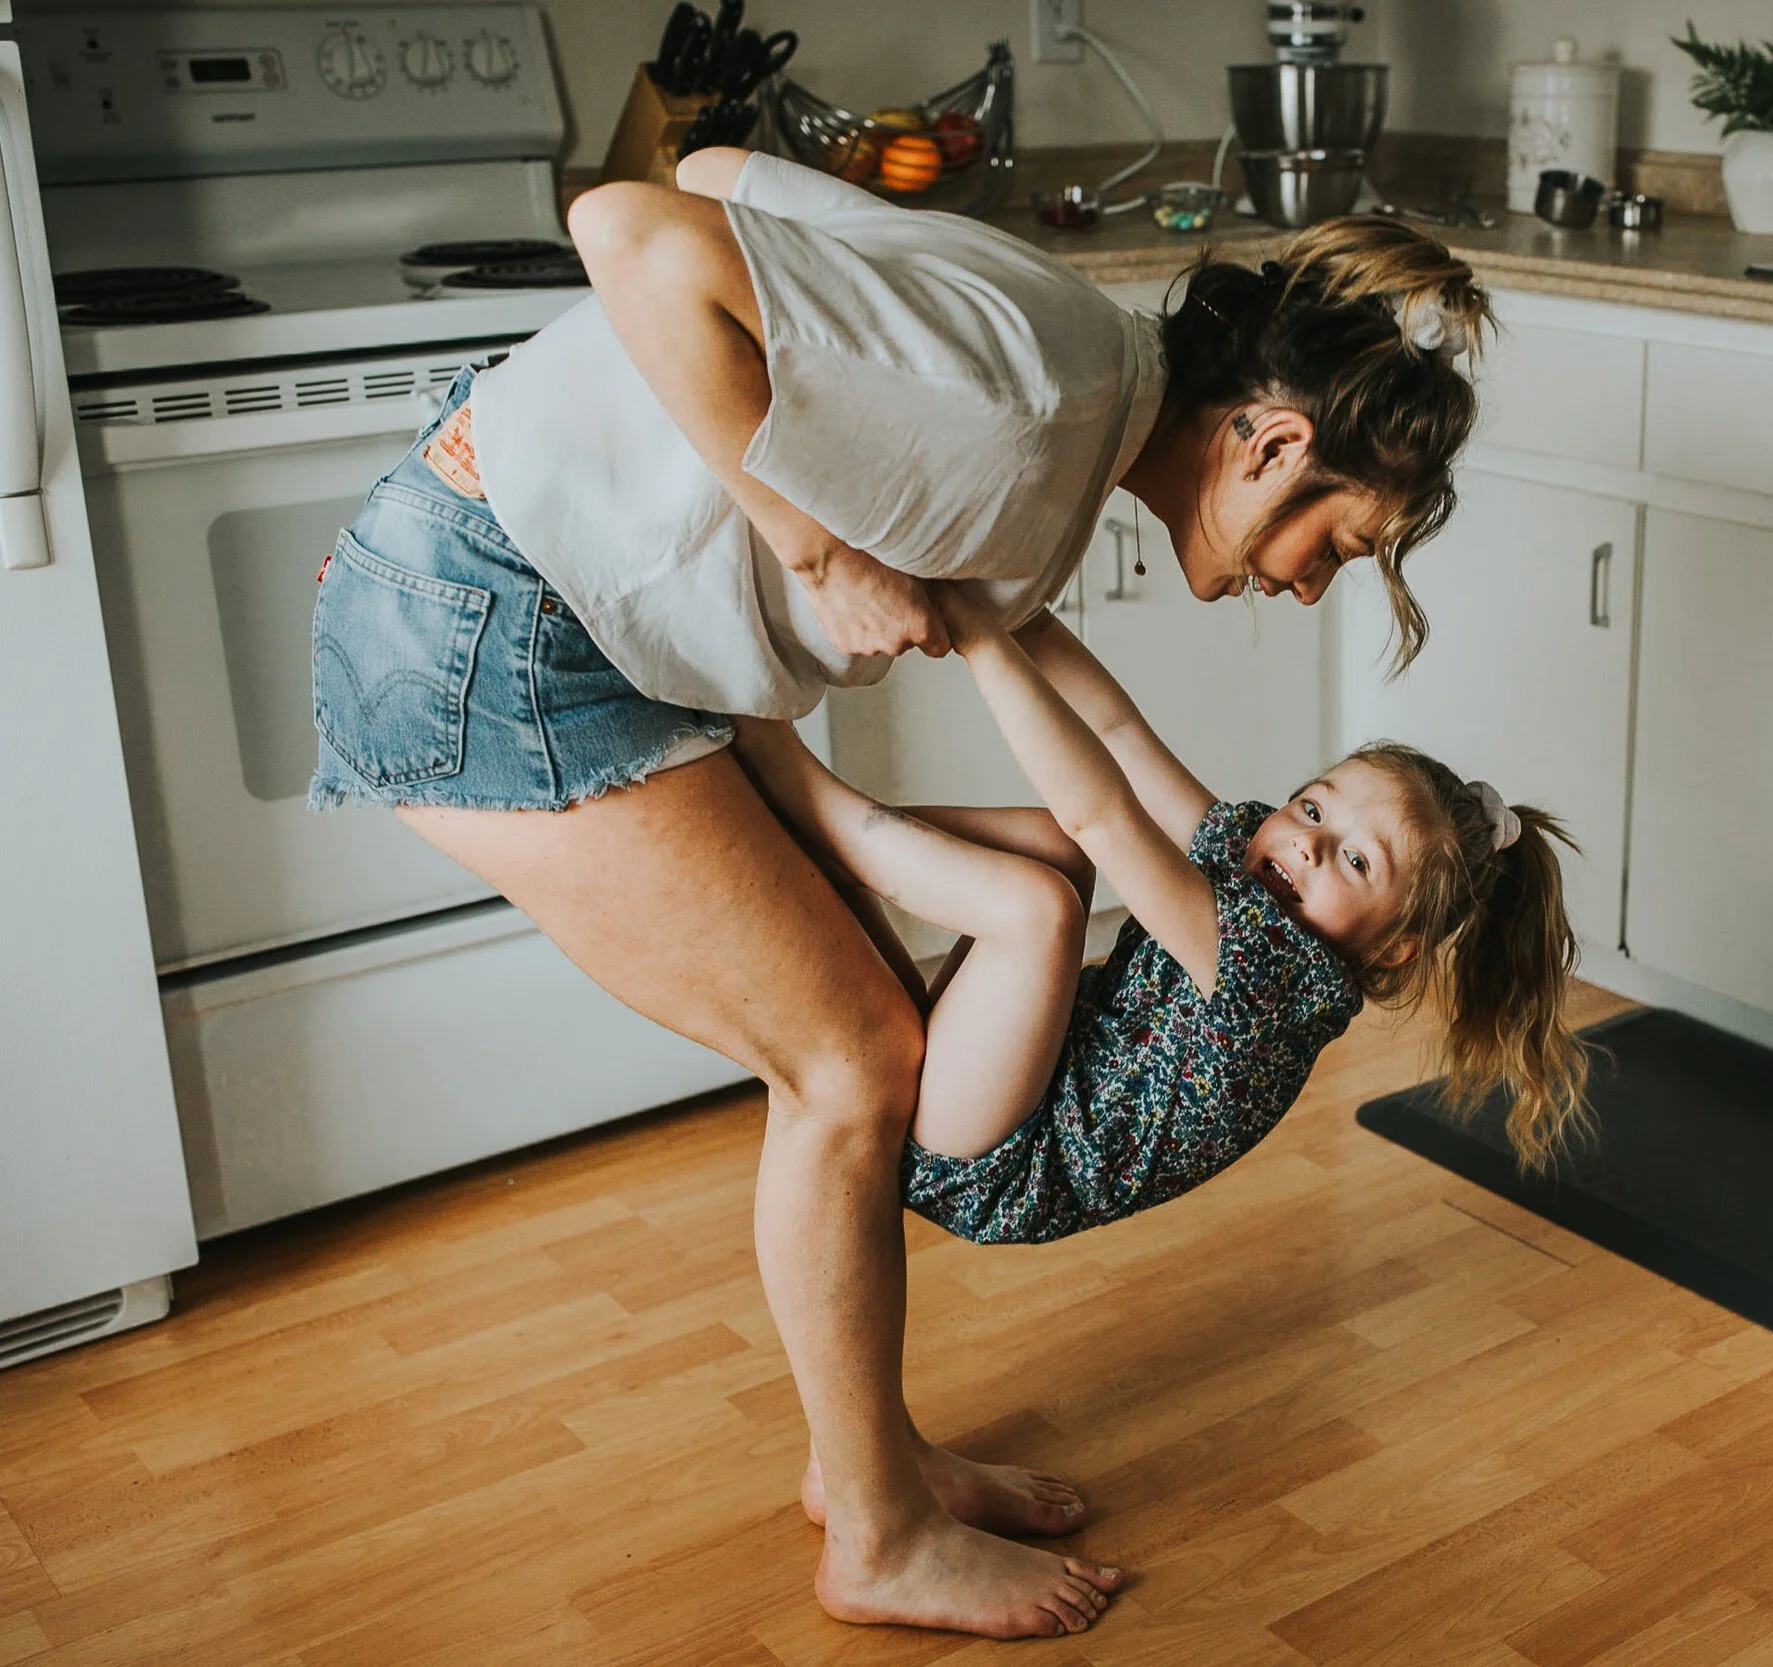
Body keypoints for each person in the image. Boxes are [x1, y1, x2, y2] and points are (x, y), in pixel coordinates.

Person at [305, 140, 1490, 1638]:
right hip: (504, 629)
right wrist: (812, 541)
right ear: (1270, 446)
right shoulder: (1039, 391)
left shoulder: (1076, 358)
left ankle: (870, 1456)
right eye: (1340, 542)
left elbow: (724, 168)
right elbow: (631, 225)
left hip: (534, 601)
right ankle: (876, 1533)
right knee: (854, 1060)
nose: (1310, 582)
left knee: (911, 989)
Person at [728, 594, 1588, 1252]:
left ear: (1394, 948)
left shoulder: (1278, 980)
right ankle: (843, 842)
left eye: (1358, 862)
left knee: (1039, 908)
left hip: (997, 1160)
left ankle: (806, 802)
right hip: (1020, 1083)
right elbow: (1116, 731)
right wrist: (1014, 605)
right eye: (1313, 807)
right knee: (1053, 848)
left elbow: (1106, 811)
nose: (1309, 844)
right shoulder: (1258, 868)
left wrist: (980, 638)